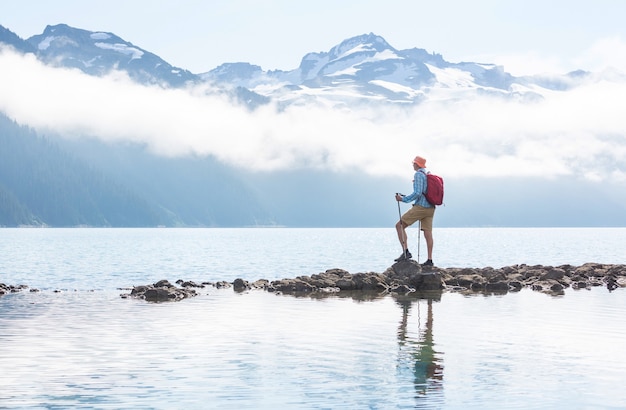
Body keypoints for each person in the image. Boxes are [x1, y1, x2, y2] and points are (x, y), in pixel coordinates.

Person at [395, 155, 435, 266]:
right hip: (431, 207)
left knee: (399, 226)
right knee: (428, 233)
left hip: (420, 207)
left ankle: (406, 252)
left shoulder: (418, 174)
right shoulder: (427, 174)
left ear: (417, 164)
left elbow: (417, 193)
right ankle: (430, 260)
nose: (413, 165)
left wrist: (402, 199)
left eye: (413, 163)